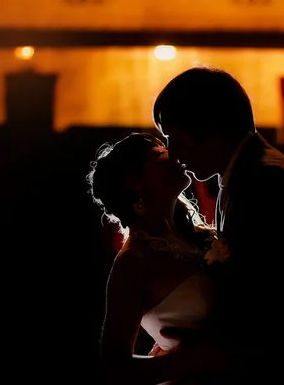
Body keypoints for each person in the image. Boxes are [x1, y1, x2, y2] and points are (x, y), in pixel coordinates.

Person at [150, 66, 284, 383]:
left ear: (208, 126)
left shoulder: (263, 182)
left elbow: (262, 309)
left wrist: (189, 352)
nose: (172, 153)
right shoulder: (250, 174)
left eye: (174, 137)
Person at [88, 132, 228, 385]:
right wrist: (192, 359)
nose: (174, 154)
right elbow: (115, 366)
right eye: (160, 154)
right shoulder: (134, 262)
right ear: (134, 181)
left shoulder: (197, 237)